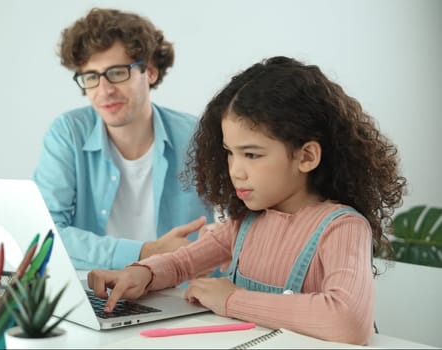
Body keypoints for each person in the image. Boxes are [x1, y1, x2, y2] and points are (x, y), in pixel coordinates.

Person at [87, 56, 407, 345]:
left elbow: (347, 319)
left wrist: (233, 299)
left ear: (306, 156)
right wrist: (142, 274)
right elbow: (184, 262)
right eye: (230, 153)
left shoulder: (342, 227)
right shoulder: (247, 223)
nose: (236, 171)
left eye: (252, 154)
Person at [33, 8, 214, 271]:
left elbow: (242, 216)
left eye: (117, 72)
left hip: (182, 292)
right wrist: (145, 252)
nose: (104, 90)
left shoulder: (196, 136)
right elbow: (44, 233)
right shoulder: (68, 133)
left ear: (150, 71)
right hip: (99, 290)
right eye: (92, 77)